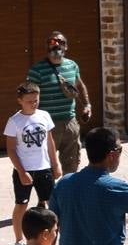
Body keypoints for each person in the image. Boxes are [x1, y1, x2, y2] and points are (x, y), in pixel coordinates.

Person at [26, 30, 90, 175]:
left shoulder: (72, 65)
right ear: (47, 47)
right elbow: (29, 96)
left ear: (66, 46)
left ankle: (67, 194)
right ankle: (49, 197)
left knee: (72, 164)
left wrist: (87, 105)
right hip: (47, 126)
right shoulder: (37, 70)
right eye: (52, 42)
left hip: (70, 123)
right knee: (47, 167)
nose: (56, 45)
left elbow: (80, 85)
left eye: (60, 42)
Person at [6, 80, 60, 245]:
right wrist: (21, 171)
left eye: (36, 100)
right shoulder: (14, 121)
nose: (34, 104)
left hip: (44, 168)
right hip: (25, 169)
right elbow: (11, 149)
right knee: (22, 204)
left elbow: (50, 142)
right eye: (29, 101)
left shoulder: (44, 115)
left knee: (51, 203)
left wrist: (55, 163)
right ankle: (19, 240)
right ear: (20, 100)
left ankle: (51, 243)